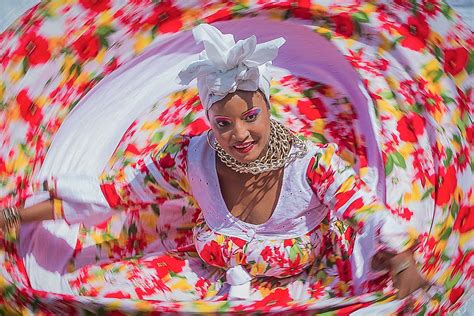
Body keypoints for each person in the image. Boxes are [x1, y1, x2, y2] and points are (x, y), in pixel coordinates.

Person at [0, 24, 427, 301]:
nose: (239, 134)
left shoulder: (311, 164)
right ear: (209, 120)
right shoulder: (189, 158)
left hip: (301, 286)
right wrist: (20, 216)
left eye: (250, 117)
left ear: (267, 108)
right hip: (210, 280)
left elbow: (363, 210)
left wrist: (403, 263)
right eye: (223, 122)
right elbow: (113, 195)